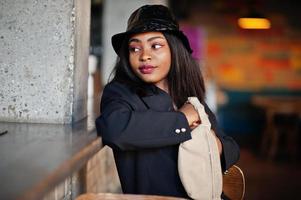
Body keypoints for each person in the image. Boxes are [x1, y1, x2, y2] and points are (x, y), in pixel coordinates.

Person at [95, 4, 239, 199]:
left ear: (174, 49)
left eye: (155, 45)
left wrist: (213, 143)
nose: (144, 55)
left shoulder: (188, 96)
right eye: (135, 48)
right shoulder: (121, 93)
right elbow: (115, 130)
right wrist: (182, 119)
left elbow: (231, 147)